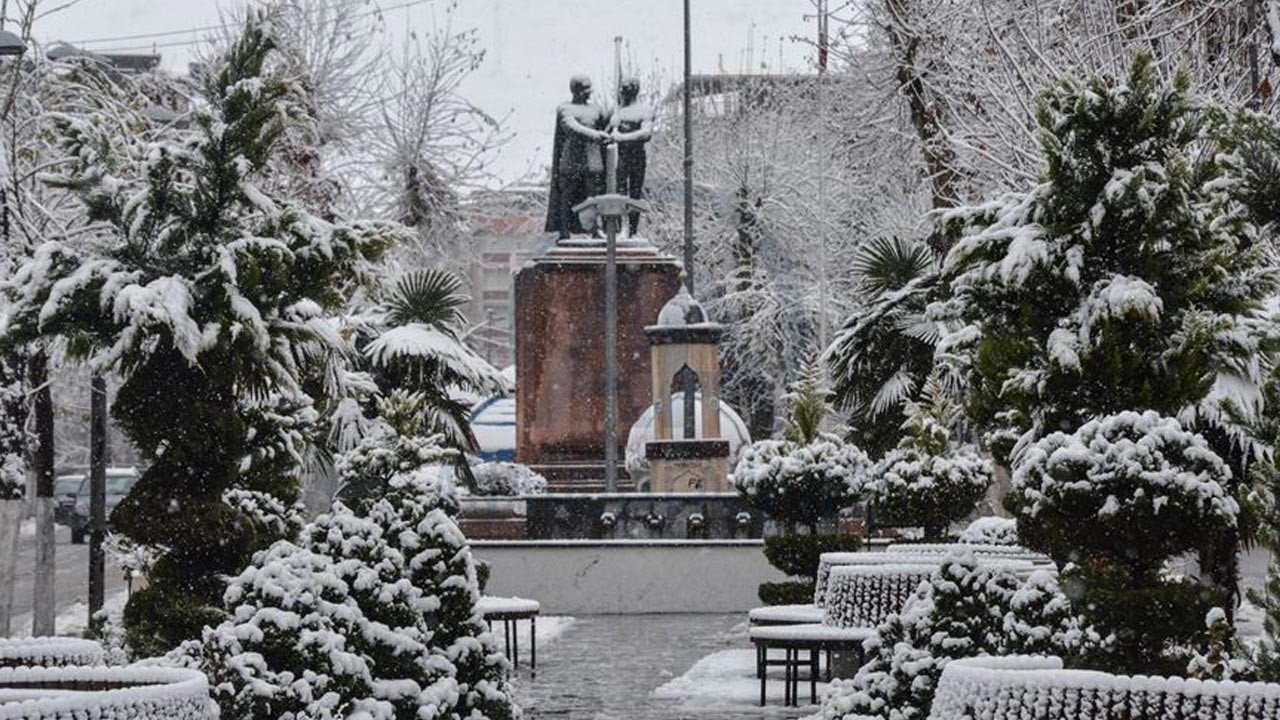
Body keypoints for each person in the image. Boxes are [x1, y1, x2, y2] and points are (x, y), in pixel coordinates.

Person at [545, 74, 610, 239]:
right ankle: (565, 230)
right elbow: (572, 128)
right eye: (586, 89)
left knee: (593, 196)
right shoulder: (565, 109)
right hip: (572, 160)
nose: (589, 92)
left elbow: (606, 124)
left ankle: (594, 229)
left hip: (592, 159)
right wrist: (595, 135)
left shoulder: (596, 109)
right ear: (577, 90)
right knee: (568, 196)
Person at [609, 76, 654, 237]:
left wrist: (621, 137)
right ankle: (621, 229)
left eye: (625, 89)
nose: (622, 93)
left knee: (635, 193)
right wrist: (612, 126)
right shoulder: (617, 112)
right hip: (621, 157)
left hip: (637, 156)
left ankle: (632, 230)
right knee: (620, 191)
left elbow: (646, 133)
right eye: (621, 90)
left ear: (634, 90)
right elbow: (607, 135)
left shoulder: (644, 110)